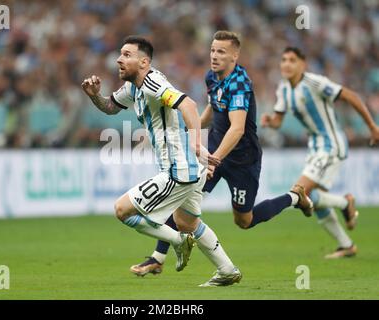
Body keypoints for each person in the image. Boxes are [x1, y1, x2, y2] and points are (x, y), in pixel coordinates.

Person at [130, 31, 313, 280]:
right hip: (215, 151)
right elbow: (212, 108)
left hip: (242, 160)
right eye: (213, 50)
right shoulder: (212, 77)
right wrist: (191, 130)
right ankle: (158, 258)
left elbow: (237, 129)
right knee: (180, 201)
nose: (214, 56)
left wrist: (214, 159)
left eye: (221, 52)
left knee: (244, 220)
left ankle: (293, 197)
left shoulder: (240, 84)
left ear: (235, 56)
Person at [81, 35, 241, 286]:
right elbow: (111, 107)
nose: (119, 59)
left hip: (179, 169)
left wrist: (196, 142)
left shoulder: (153, 83)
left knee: (122, 210)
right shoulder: (134, 86)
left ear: (144, 62)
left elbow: (187, 104)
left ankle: (178, 242)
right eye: (120, 54)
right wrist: (94, 96)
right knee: (186, 222)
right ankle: (227, 269)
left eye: (127, 55)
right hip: (188, 168)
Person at [261, 47, 379, 258]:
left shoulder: (314, 82)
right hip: (315, 147)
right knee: (311, 196)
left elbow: (350, 95)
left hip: (331, 144)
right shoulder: (283, 89)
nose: (286, 64)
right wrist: (270, 122)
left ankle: (346, 204)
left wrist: (372, 127)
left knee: (299, 192)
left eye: (292, 60)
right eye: (283, 60)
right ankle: (346, 244)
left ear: (302, 64)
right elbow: (278, 120)